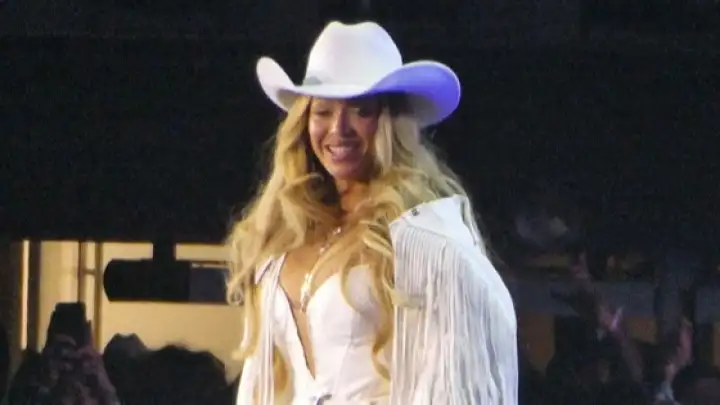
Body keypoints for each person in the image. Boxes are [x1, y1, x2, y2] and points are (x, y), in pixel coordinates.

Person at [226, 20, 518, 405]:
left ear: (391, 123)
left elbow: (458, 380)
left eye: (361, 111)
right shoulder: (288, 234)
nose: (339, 129)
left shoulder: (426, 243)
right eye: (323, 111)